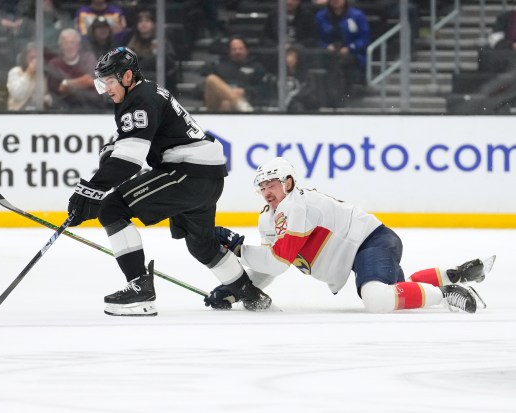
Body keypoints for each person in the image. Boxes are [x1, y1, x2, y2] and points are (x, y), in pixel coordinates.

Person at [66, 47, 271, 316]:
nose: (106, 89)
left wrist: (91, 191)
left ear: (127, 76)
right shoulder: (146, 94)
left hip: (187, 172)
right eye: (101, 82)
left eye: (110, 81)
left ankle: (140, 289)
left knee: (111, 208)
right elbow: (124, 143)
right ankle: (247, 292)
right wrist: (107, 160)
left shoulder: (140, 99)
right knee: (202, 244)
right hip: (206, 176)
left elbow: (129, 161)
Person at [211, 157, 493, 313]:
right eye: (261, 187)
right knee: (399, 291)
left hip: (371, 243)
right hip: (362, 251)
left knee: (377, 299)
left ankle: (445, 294)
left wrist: (237, 249)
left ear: (288, 182)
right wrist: (238, 290)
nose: (266, 192)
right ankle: (454, 274)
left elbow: (276, 262)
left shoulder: (296, 205)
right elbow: (271, 266)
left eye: (271, 184)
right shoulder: (269, 217)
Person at [315, 0, 370, 106]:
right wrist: (326, 46)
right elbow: (316, 37)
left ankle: (342, 94)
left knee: (342, 62)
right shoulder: (321, 16)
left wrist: (350, 48)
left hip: (353, 54)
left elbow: (364, 38)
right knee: (331, 61)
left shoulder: (357, 15)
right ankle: (332, 95)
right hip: (328, 54)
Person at [203, 35, 267, 112]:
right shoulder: (220, 66)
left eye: (240, 49)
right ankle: (238, 103)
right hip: (217, 104)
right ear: (229, 51)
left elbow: (263, 90)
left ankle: (238, 104)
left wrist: (245, 91)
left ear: (247, 50)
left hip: (246, 100)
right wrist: (227, 92)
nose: (237, 51)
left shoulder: (257, 67)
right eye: (234, 49)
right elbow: (204, 89)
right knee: (211, 78)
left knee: (227, 104)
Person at [46, 28, 103, 110]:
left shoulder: (88, 58)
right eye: (65, 43)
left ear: (78, 45)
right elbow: (60, 89)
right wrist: (81, 83)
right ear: (61, 46)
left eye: (72, 43)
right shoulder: (54, 64)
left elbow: (90, 80)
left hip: (91, 108)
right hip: (64, 110)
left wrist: (67, 83)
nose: (69, 46)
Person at [124, 9, 178, 96]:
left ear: (153, 24)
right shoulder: (131, 43)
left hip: (159, 77)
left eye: (147, 21)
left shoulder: (162, 41)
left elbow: (169, 61)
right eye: (140, 21)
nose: (143, 24)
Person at [6, 42, 52, 110]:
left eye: (37, 58)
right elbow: (17, 95)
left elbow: (46, 96)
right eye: (32, 58)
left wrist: (45, 100)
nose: (35, 61)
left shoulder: (41, 75)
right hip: (18, 114)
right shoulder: (15, 72)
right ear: (25, 58)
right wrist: (28, 72)